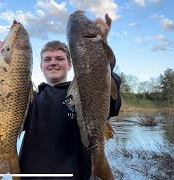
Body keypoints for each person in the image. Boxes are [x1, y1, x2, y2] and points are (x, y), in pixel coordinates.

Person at [17, 15, 122, 179]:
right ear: (41, 66)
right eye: (47, 59)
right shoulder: (31, 100)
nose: (53, 62)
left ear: (70, 64)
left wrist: (100, 48)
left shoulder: (86, 93)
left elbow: (112, 104)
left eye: (59, 58)